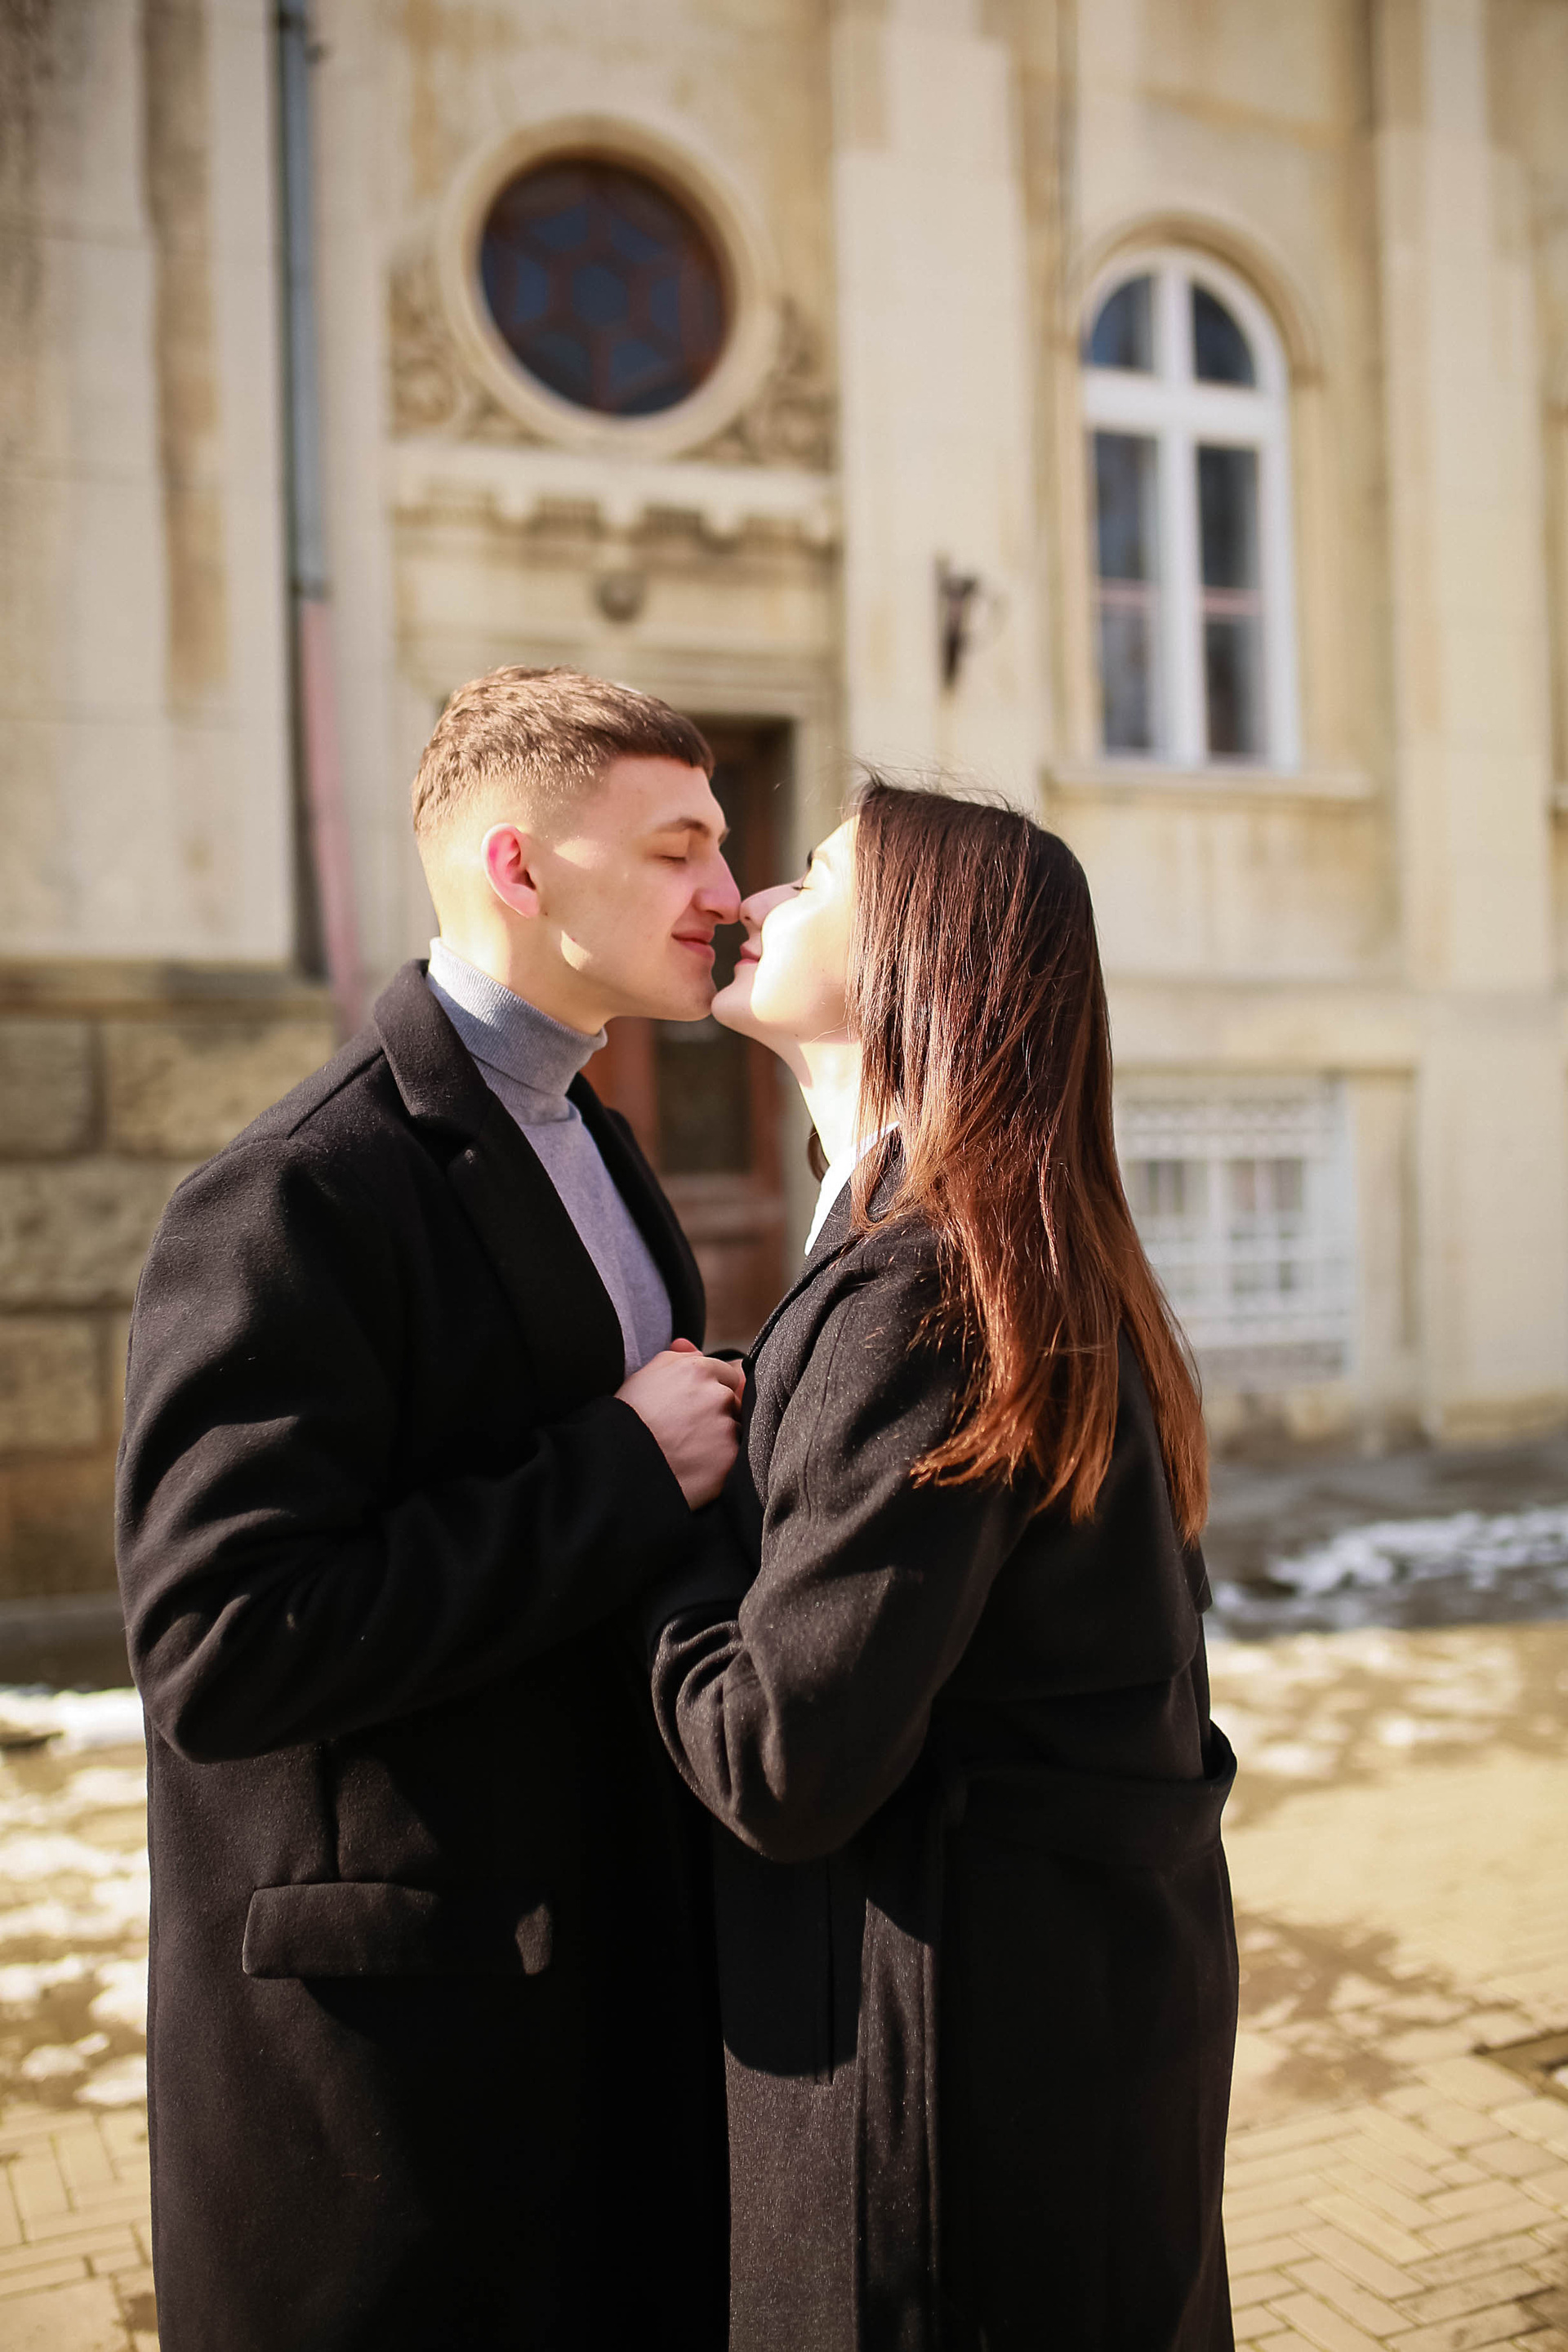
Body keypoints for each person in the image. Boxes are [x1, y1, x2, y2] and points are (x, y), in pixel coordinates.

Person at [116, 668, 746, 2352]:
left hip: (595, 2010)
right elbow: (221, 1646)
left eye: (721, 845)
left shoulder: (591, 1135)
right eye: (676, 848)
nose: (727, 892)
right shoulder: (294, 1188)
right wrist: (619, 1470)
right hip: (399, 2081)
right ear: (515, 866)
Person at [648, 778, 1240, 2352]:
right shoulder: (984, 1247)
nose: (755, 898)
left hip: (960, 2119)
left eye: (815, 873)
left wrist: (656, 1511)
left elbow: (782, 1759)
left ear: (919, 952)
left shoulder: (924, 1284)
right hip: (1061, 2068)